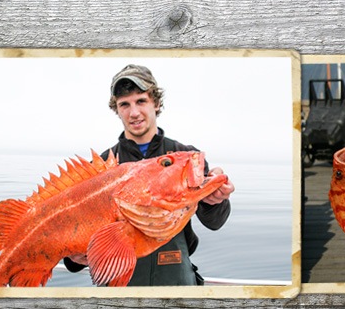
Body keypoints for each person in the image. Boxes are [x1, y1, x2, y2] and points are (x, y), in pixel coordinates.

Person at [62, 64, 236, 286]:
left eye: (141, 101)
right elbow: (73, 244)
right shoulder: (101, 167)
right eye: (124, 104)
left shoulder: (186, 158)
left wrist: (217, 200)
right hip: (121, 285)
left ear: (156, 102)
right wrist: (73, 257)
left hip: (175, 280)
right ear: (116, 109)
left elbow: (215, 222)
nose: (134, 113)